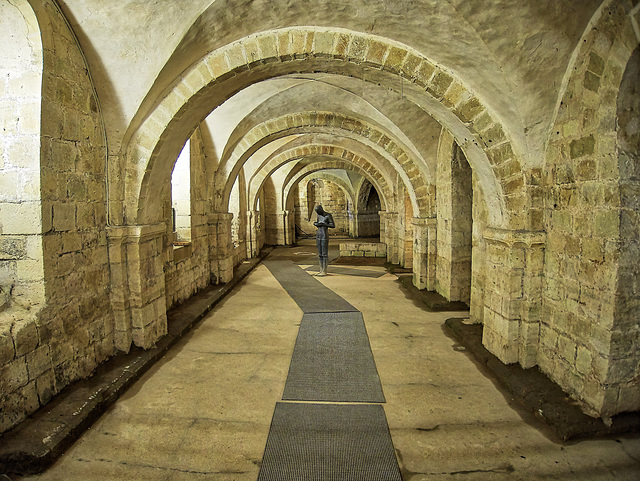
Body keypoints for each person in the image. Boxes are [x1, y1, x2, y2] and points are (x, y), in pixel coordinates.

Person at [313, 204, 335, 276]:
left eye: (319, 212)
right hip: (318, 234)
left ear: (321, 210)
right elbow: (317, 222)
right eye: (317, 213)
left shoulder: (328, 215)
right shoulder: (319, 216)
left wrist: (324, 224)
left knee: (324, 254)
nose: (318, 214)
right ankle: (321, 269)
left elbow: (332, 225)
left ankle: (324, 270)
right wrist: (316, 224)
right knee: (320, 254)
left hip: (324, 235)